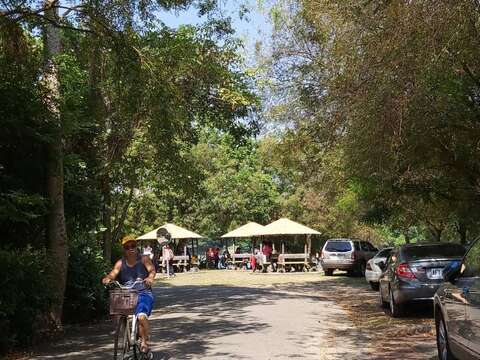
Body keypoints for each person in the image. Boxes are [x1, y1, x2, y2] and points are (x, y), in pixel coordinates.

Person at [102, 235, 156, 356]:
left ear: (136, 247)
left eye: (133, 246)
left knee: (141, 317)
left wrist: (150, 278)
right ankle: (127, 333)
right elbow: (113, 273)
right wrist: (108, 278)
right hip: (126, 294)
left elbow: (152, 270)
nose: (130, 248)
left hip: (143, 293)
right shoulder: (121, 263)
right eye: (127, 247)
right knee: (118, 313)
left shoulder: (144, 259)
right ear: (124, 249)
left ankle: (145, 342)